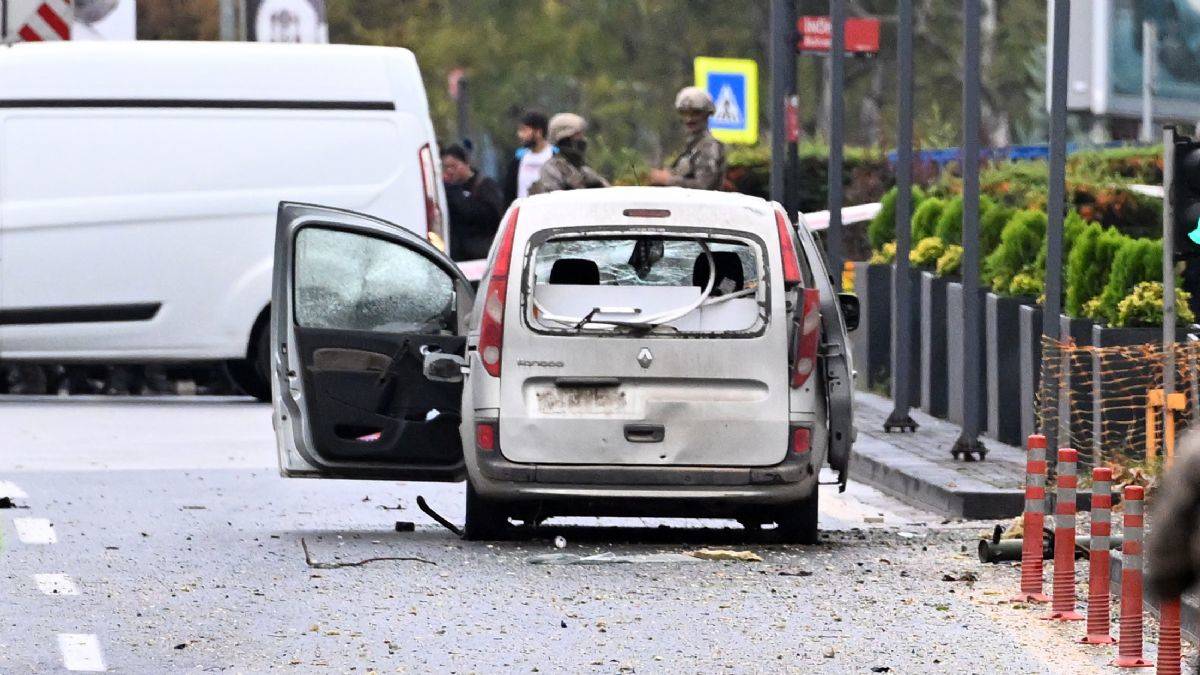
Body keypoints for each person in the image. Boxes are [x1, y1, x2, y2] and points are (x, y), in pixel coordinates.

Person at [648, 86, 727, 191]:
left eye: (695, 113)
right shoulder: (691, 146)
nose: (689, 119)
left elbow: (704, 186)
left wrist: (668, 180)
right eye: (684, 113)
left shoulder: (709, 146)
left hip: (701, 207)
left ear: (707, 115)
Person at [441, 144, 504, 261]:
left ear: (466, 164)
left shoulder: (484, 185)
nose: (449, 171)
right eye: (446, 167)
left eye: (453, 166)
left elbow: (492, 216)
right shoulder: (446, 190)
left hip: (481, 253)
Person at [528, 113, 609, 195]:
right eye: (578, 135)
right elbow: (554, 201)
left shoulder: (584, 171)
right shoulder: (550, 169)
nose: (583, 139)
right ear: (564, 139)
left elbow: (608, 193)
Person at [503, 110, 556, 205]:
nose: (520, 135)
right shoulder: (518, 159)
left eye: (524, 130)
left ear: (538, 132)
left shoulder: (555, 156)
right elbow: (509, 193)